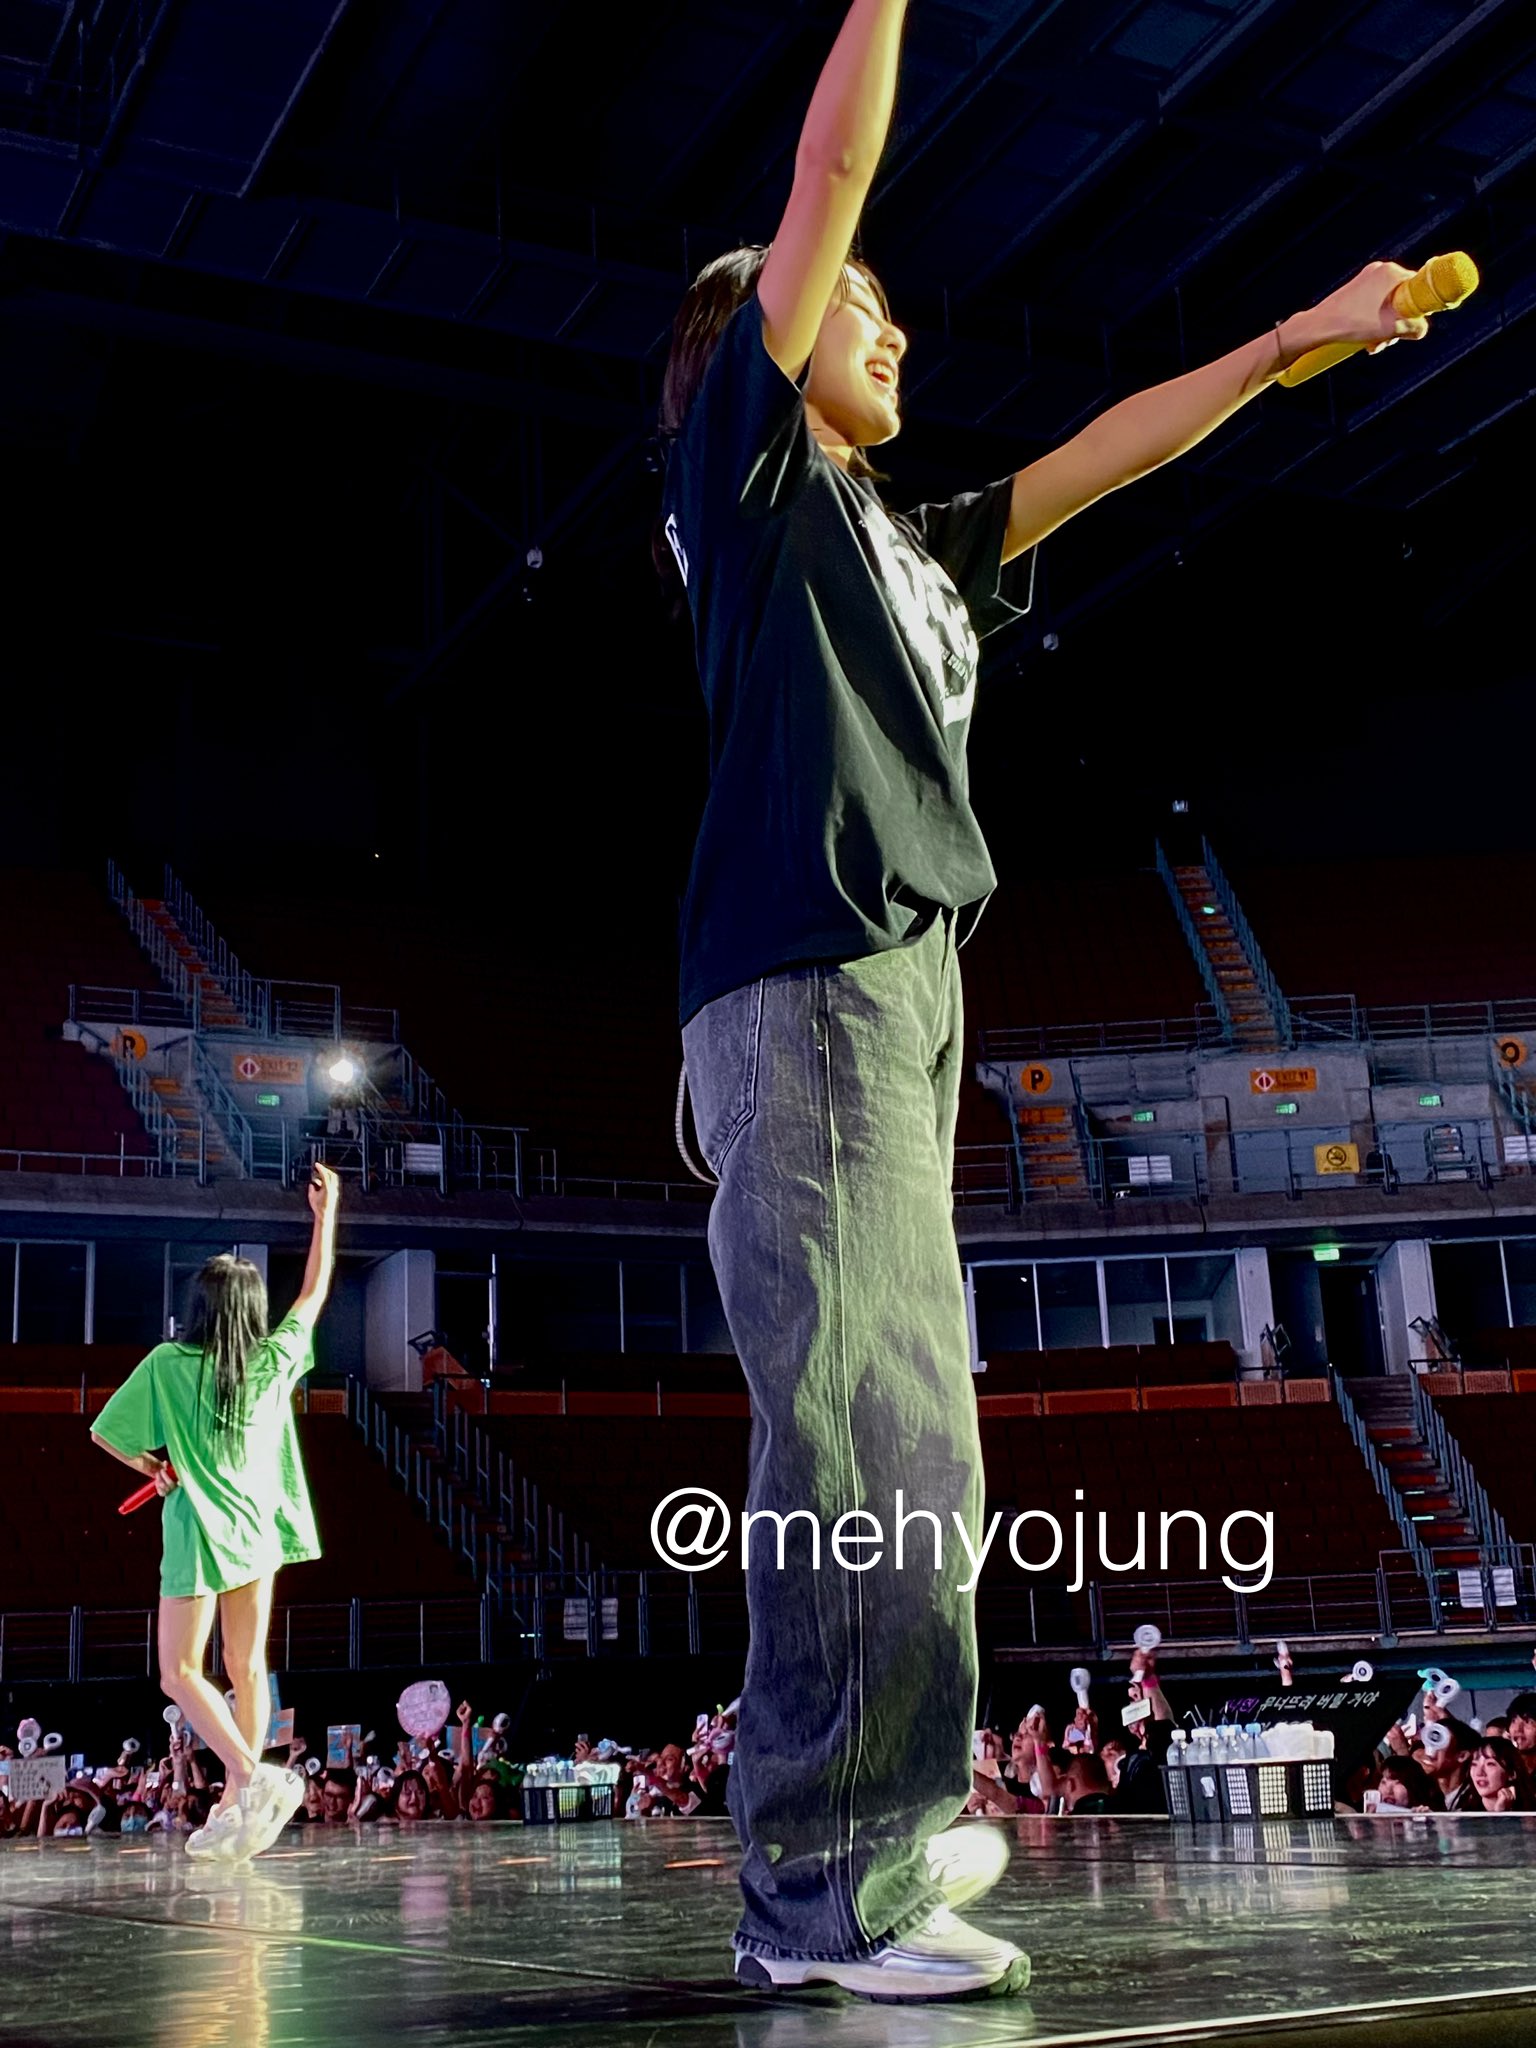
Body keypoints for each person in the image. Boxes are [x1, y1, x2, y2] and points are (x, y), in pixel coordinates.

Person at [657, 0, 1433, 2005]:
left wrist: (1296, 338)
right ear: (763, 342)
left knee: (918, 1445)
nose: (895, 330)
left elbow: (1109, 448)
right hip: (809, 974)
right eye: (861, 308)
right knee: (867, 1439)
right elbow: (829, 169)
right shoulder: (751, 482)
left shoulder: (908, 542)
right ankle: (827, 1884)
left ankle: (862, 1844)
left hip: (907, 985)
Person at [90, 1164, 342, 1862]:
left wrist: (156, 1468)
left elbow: (106, 1434)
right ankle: (236, 1803)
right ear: (252, 1311)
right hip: (256, 1531)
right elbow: (314, 1292)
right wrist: (326, 1215)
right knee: (246, 1666)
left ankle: (252, 1779)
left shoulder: (167, 1362)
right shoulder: (274, 1359)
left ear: (199, 1306)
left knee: (178, 1672)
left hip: (196, 1529)